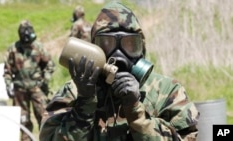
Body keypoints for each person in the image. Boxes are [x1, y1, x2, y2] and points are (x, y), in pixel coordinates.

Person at [39, 1, 200, 141]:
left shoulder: (167, 92)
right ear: (94, 48)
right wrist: (84, 104)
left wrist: (135, 110)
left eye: (130, 45)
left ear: (141, 48)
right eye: (107, 44)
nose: (118, 55)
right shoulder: (72, 92)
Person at [3, 19, 55, 141]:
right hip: (20, 91)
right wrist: (8, 85)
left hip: (37, 88)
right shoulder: (13, 49)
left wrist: (45, 79)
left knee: (43, 117)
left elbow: (50, 65)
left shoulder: (38, 47)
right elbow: (7, 70)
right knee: (23, 120)